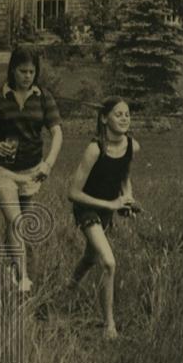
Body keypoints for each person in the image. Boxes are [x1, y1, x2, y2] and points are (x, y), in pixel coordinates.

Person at [0, 45, 63, 294]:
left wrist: (48, 164)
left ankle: (10, 268)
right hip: (0, 168)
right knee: (15, 221)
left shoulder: (44, 96)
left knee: (17, 224)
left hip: (32, 170)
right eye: (22, 71)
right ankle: (23, 280)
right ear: (12, 70)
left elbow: (57, 133)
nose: (27, 76)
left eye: (31, 71)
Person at [67, 97, 140, 339]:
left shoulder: (132, 146)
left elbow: (124, 177)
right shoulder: (95, 149)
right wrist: (110, 203)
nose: (124, 118)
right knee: (108, 262)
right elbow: (73, 193)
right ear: (103, 118)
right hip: (87, 207)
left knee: (90, 256)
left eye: (127, 114)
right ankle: (109, 325)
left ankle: (68, 287)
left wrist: (127, 199)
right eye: (118, 114)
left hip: (107, 209)